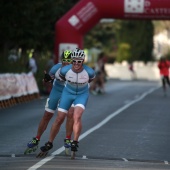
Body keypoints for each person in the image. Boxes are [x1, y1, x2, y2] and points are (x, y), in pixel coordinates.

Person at [39, 48, 95, 158]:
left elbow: (90, 80)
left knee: (76, 116)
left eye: (79, 61)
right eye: (74, 61)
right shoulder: (64, 71)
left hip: (81, 94)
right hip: (67, 93)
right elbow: (56, 80)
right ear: (72, 61)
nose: (76, 64)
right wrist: (47, 80)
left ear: (83, 62)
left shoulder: (89, 72)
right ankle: (50, 143)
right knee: (59, 118)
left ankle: (75, 141)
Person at [24, 50, 74, 154]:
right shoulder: (56, 68)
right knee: (47, 115)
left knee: (69, 114)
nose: (66, 63)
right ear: (61, 60)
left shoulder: (75, 70)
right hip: (56, 91)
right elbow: (45, 82)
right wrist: (46, 80)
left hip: (68, 93)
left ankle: (68, 139)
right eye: (64, 60)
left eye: (69, 60)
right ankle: (37, 138)